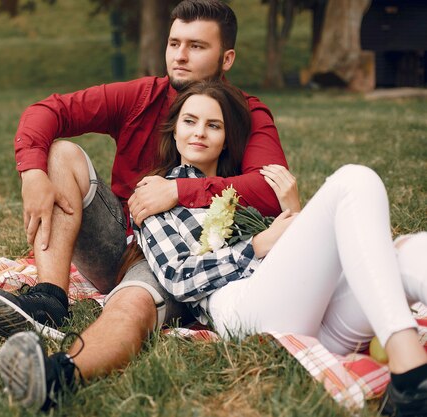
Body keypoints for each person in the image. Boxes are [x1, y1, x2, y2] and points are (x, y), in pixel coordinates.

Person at [0, 0, 289, 411]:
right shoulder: (141, 96)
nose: (180, 55)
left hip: (189, 255)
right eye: (174, 43)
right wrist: (32, 172)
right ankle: (50, 299)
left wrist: (179, 192)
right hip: (124, 240)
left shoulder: (245, 114)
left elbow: (269, 189)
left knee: (132, 301)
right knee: (59, 154)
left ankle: (58, 375)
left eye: (197, 46)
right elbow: (49, 110)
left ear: (227, 57)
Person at [127, 82, 427, 415]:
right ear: (174, 130)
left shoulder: (247, 189)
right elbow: (178, 278)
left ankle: (409, 381)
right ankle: (411, 374)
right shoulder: (155, 193)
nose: (199, 132)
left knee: (413, 248)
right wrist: (257, 244)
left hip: (315, 320)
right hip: (245, 311)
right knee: (354, 180)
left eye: (213, 125)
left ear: (227, 139)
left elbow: (302, 261)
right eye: (190, 121)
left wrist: (292, 211)